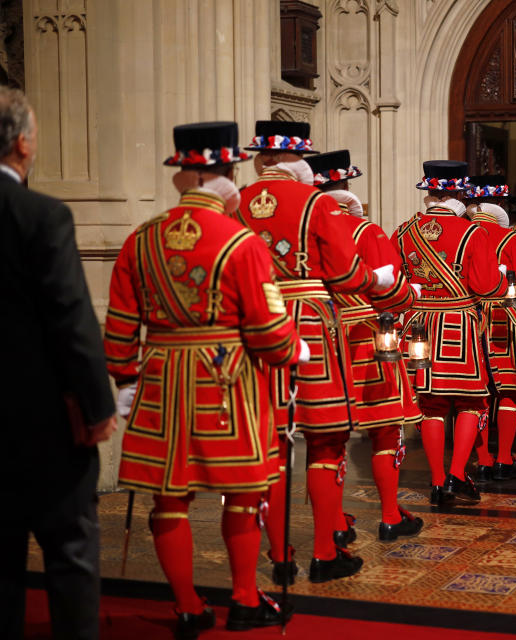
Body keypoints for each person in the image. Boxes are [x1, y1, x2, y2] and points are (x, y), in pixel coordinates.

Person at [104, 121, 303, 637]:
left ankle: (188, 606)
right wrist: (292, 348)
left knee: (167, 497)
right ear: (229, 172)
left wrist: (124, 378)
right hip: (226, 381)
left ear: (182, 175)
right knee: (241, 491)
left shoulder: (140, 239)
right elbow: (266, 329)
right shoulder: (240, 242)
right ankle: (243, 598)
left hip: (160, 378)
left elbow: (121, 322)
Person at [234, 122, 393, 585]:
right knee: (325, 440)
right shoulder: (317, 201)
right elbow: (344, 274)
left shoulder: (235, 203)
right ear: (298, 158)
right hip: (308, 323)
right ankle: (324, 552)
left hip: (255, 322)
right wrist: (376, 282)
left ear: (261, 159)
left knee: (272, 443)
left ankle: (279, 554)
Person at [0, 86, 117, 640]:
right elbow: (73, 321)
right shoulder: (41, 215)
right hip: (41, 423)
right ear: (23, 144)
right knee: (70, 553)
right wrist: (97, 408)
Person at [307, 148, 424, 541]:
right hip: (365, 342)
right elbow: (392, 293)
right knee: (385, 431)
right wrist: (410, 294)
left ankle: (334, 523)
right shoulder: (365, 230)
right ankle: (390, 514)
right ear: (347, 188)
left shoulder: (303, 230)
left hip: (319, 341)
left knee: (325, 440)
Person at [392, 161, 508, 505]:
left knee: (431, 404)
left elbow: (396, 284)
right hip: (458, 323)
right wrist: (502, 277)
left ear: (428, 193)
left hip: (419, 325)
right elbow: (487, 286)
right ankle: (457, 472)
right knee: (471, 401)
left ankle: (438, 481)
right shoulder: (473, 232)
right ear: (459, 193)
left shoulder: (404, 230)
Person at [466, 175, 516, 481]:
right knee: (510, 392)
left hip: (469, 323)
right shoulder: (511, 237)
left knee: (479, 394)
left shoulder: (465, 231)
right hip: (504, 321)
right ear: (500, 204)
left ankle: (483, 458)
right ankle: (503, 458)